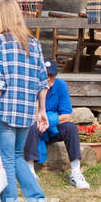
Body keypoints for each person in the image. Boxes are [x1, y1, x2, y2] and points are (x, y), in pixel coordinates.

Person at [0, 0, 50, 202]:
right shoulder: (34, 43)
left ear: (2, 17)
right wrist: (41, 110)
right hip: (26, 111)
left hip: (6, 111)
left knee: (7, 162)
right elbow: (43, 80)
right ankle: (37, 201)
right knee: (16, 158)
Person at [24, 58, 90, 189]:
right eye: (45, 75)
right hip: (36, 127)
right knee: (31, 125)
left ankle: (75, 172)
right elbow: (30, 114)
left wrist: (49, 120)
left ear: (55, 75)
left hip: (52, 128)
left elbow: (66, 115)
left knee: (70, 128)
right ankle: (29, 171)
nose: (48, 79)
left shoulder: (61, 86)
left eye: (51, 75)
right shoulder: (31, 86)